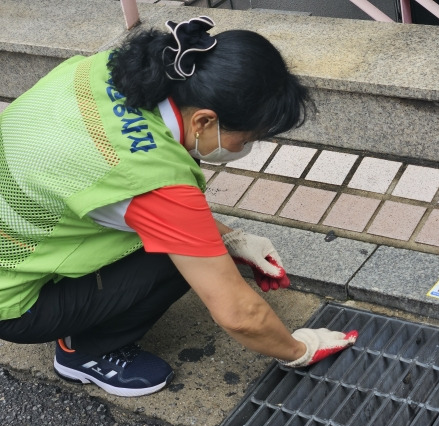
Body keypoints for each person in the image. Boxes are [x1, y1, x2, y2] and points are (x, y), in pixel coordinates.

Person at [0, 16, 357, 397]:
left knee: (195, 242)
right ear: (205, 120)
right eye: (248, 138)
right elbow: (239, 315)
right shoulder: (150, 177)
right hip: (14, 302)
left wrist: (234, 238)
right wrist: (300, 349)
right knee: (179, 260)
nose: (244, 149)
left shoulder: (105, 69)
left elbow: (139, 197)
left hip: (24, 229)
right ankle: (86, 353)